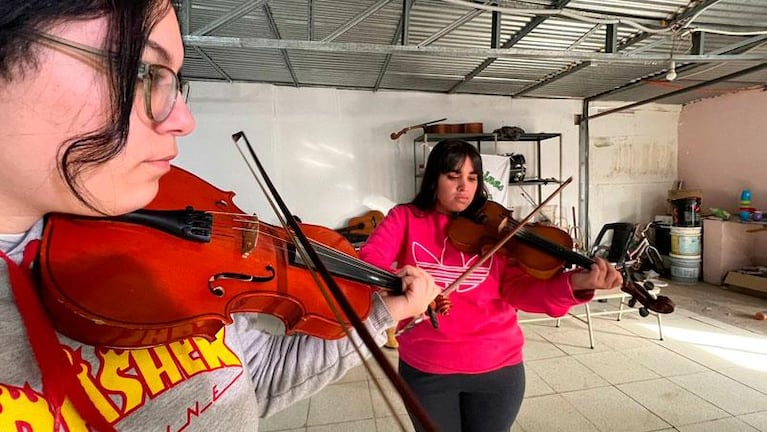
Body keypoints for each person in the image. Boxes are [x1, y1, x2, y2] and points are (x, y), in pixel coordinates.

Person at [0, 1, 441, 430]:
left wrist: (383, 311)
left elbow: (255, 379)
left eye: (175, 81)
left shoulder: (170, 239)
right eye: (139, 71)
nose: (184, 119)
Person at [359, 139, 623, 432]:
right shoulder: (405, 218)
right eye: (453, 176)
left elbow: (523, 290)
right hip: (427, 370)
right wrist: (401, 285)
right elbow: (371, 260)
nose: (464, 187)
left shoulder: (496, 231)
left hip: (498, 370)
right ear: (434, 178)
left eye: (472, 178)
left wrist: (577, 282)